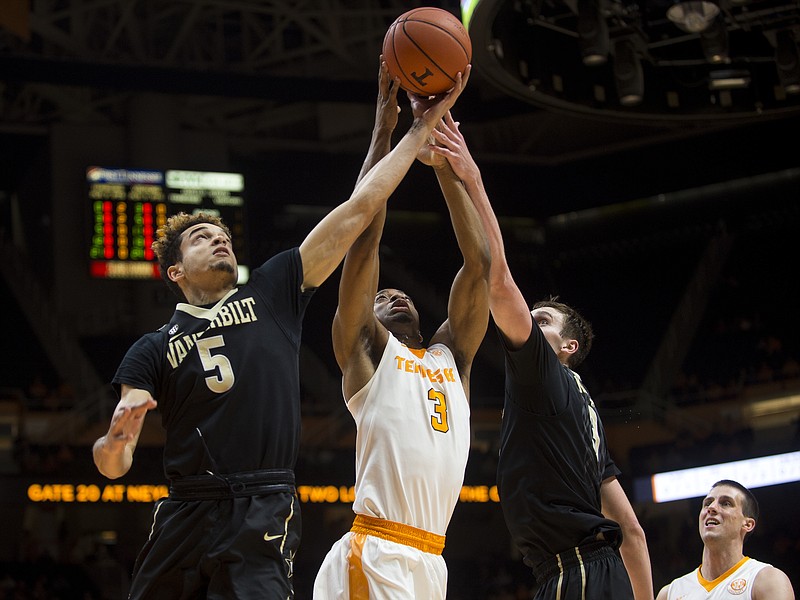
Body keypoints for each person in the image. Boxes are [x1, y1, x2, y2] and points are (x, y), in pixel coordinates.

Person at [90, 60, 469, 600]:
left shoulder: (271, 290)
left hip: (263, 502)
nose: (218, 239)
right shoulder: (152, 348)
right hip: (186, 504)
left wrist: (404, 132)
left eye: (222, 234)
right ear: (175, 271)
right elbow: (112, 464)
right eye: (200, 237)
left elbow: (359, 210)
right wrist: (117, 440)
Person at [427, 114, 654, 599]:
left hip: (577, 569)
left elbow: (497, 276)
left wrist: (471, 176)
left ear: (568, 348)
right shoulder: (585, 421)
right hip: (585, 570)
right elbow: (632, 533)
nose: (531, 323)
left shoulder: (546, 378)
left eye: (543, 320)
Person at [312, 83, 490, 596]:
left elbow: (478, 265)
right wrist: (385, 134)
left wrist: (442, 167)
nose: (391, 294)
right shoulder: (366, 354)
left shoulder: (451, 358)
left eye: (400, 292)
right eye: (379, 295)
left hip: (432, 557)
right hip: (377, 550)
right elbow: (363, 229)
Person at [656, 479, 795, 600]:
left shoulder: (767, 580)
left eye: (726, 503)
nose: (711, 508)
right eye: (707, 503)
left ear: (747, 524)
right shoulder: (669, 593)